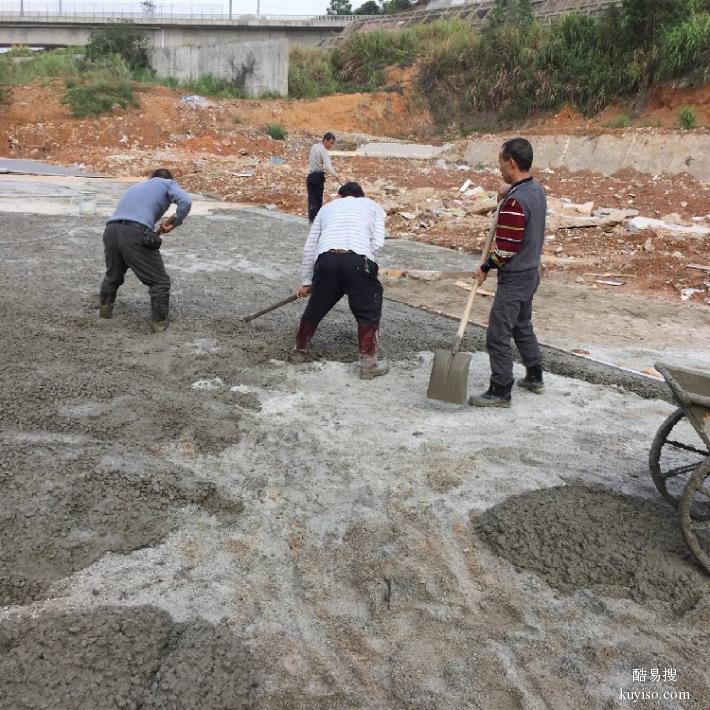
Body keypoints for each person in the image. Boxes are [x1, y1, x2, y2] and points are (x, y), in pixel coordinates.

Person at [469, 137, 546, 407]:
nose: (499, 167)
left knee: (498, 333)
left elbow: (506, 249)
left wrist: (486, 267)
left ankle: (501, 389)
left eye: (501, 162)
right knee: (522, 325)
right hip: (531, 274)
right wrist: (508, 190)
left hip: (514, 279)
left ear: (511, 163)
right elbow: (519, 194)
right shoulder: (536, 190)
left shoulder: (515, 204)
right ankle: (535, 375)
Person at [290, 181, 389, 379]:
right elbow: (378, 242)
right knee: (368, 309)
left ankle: (299, 351)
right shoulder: (373, 206)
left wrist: (308, 281)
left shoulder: (326, 208)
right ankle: (368, 364)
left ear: (339, 196)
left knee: (316, 306)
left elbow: (310, 246)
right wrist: (362, 257)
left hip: (326, 260)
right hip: (358, 260)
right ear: (362, 196)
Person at [98, 168, 192, 333]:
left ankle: (104, 312)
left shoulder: (137, 187)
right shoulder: (167, 183)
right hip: (135, 232)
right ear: (168, 179)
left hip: (111, 230)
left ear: (151, 177)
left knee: (113, 275)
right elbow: (186, 201)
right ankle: (159, 324)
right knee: (159, 282)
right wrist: (175, 223)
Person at [306, 132, 340, 223]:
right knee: (318, 200)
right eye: (330, 142)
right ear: (325, 140)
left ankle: (311, 219)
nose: (331, 145)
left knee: (311, 199)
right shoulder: (323, 150)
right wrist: (336, 175)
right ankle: (316, 221)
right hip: (318, 177)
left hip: (310, 176)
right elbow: (328, 166)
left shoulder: (314, 147)